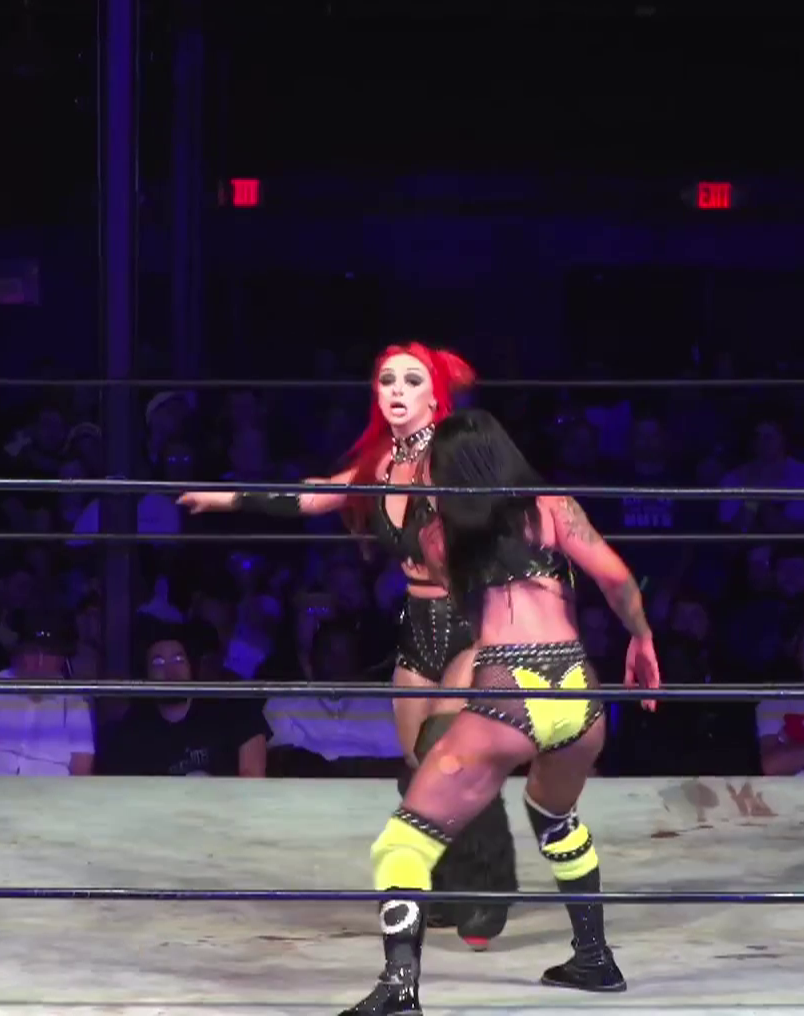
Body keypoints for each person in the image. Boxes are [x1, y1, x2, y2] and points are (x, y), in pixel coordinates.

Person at [178, 342, 518, 947]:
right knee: (417, 764)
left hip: (472, 620)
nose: (396, 390)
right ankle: (443, 880)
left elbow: (509, 513)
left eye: (411, 380)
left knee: (449, 750)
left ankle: (489, 881)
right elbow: (311, 497)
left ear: (434, 394)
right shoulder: (379, 465)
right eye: (387, 380)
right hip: (418, 624)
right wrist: (224, 498)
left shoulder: (458, 456)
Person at [341, 408, 662, 1016]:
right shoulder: (554, 507)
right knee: (553, 813)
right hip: (578, 690)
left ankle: (400, 987)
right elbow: (617, 580)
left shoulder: (439, 535)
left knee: (402, 842)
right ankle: (594, 957)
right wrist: (642, 639)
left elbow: (465, 608)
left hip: (510, 687)